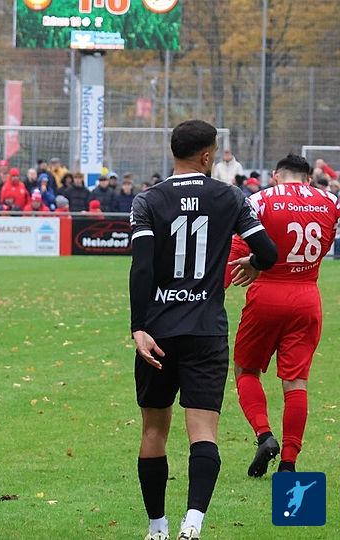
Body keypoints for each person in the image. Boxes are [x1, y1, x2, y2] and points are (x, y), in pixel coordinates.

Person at [129, 120, 277, 540]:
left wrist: (138, 327)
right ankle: (192, 524)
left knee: (153, 430)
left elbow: (141, 268)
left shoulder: (147, 200)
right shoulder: (230, 196)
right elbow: (268, 252)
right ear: (208, 156)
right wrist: (254, 263)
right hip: (206, 331)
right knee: (203, 432)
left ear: (173, 152)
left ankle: (157, 528)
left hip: (158, 332)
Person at [224, 154, 340, 477]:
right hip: (307, 296)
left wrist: (213, 291)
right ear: (308, 178)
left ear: (275, 175)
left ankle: (264, 435)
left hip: (267, 293)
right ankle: (289, 464)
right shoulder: (330, 201)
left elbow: (236, 250)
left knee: (246, 369)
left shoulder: (260, 200)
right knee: (296, 382)